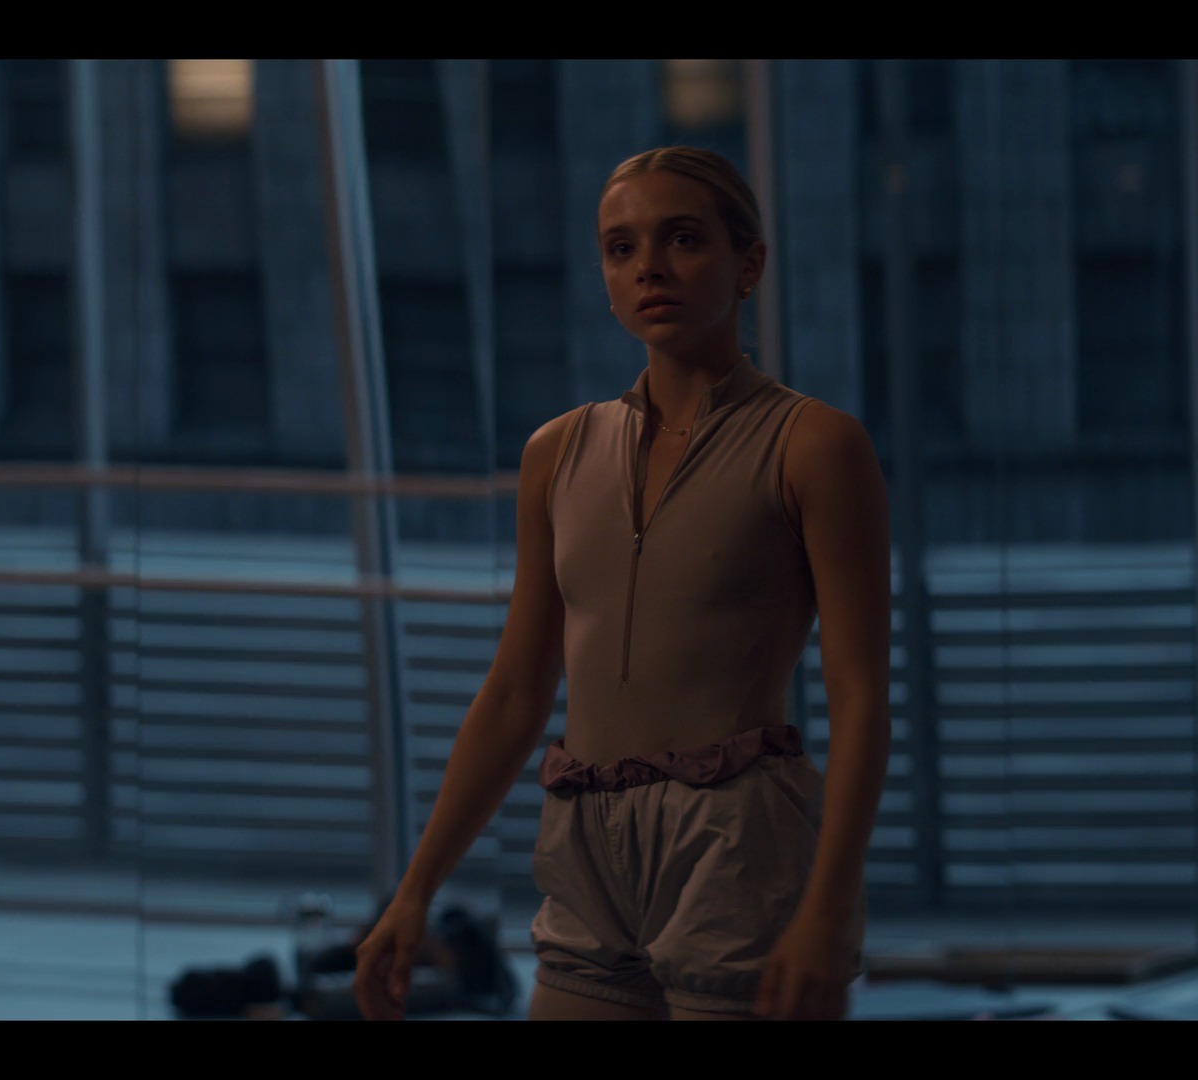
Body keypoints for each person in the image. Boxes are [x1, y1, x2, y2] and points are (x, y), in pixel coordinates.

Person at [352, 145, 892, 1022]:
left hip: (737, 841)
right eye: (621, 247)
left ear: (748, 263)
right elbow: (516, 692)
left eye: (683, 238)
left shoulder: (814, 446)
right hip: (585, 840)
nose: (649, 267)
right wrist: (415, 890)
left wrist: (828, 907)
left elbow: (860, 694)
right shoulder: (557, 452)